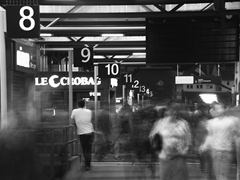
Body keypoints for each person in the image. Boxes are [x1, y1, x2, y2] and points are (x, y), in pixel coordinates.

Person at [149, 103, 192, 180]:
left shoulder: (183, 124)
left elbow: (188, 139)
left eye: (176, 111)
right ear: (167, 112)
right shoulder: (160, 123)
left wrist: (184, 150)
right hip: (165, 158)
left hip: (179, 157)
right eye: (172, 111)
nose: (174, 113)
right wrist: (159, 150)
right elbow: (153, 137)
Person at [200, 102, 239, 180]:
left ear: (224, 109)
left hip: (226, 151)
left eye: (220, 108)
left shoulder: (232, 121)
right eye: (216, 108)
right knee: (218, 175)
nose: (218, 110)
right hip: (215, 150)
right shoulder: (211, 122)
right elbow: (210, 136)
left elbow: (237, 134)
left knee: (223, 175)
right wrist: (204, 146)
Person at [71, 100, 94, 171]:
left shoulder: (74, 111)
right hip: (90, 132)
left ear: (78, 105)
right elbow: (91, 120)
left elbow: (72, 120)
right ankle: (88, 165)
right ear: (84, 105)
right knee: (89, 149)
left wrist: (76, 126)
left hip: (81, 133)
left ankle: (86, 165)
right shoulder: (89, 111)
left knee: (84, 149)